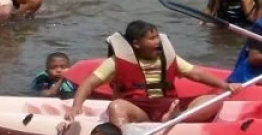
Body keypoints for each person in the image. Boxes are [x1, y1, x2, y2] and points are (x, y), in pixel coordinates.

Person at [67, 21, 236, 127]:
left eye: (157, 37)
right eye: (152, 39)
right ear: (136, 44)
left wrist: (225, 85)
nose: (158, 42)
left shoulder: (168, 58)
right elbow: (89, 83)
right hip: (139, 111)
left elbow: (196, 74)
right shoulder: (116, 62)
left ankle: (176, 118)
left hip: (167, 107)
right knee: (116, 106)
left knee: (215, 100)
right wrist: (76, 106)